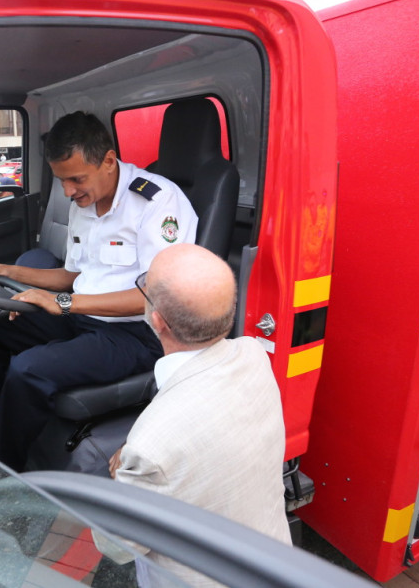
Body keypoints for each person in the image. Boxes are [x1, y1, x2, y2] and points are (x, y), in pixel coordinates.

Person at [0, 111, 198, 470]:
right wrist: (9, 271)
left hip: (136, 334)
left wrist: (63, 303)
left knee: (28, 369)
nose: (68, 192)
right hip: (82, 317)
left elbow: (154, 298)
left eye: (76, 179)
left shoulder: (158, 201)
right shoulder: (84, 202)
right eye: (62, 180)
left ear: (108, 161)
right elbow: (72, 276)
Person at [100, 244, 291, 586]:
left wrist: (119, 476)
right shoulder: (254, 354)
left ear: (157, 320)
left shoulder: (148, 449)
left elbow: (113, 545)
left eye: (145, 284)